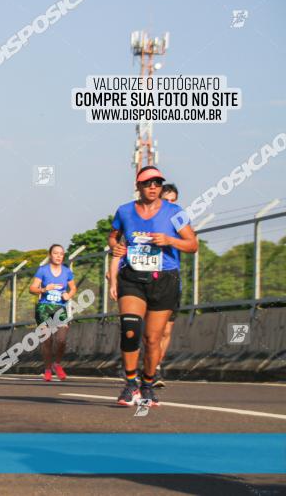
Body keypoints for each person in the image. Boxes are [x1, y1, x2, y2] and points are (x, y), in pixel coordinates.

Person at [108, 167, 197, 407]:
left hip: (164, 278)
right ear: (138, 186)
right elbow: (113, 236)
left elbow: (192, 244)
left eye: (157, 182)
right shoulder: (124, 211)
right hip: (133, 276)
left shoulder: (175, 212)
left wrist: (170, 240)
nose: (153, 187)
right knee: (130, 329)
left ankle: (147, 384)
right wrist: (115, 247)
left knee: (152, 339)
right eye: (148, 183)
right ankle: (130, 385)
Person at [29, 245, 76, 381]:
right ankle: (48, 368)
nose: (58, 256)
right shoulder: (43, 270)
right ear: (50, 255)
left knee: (61, 340)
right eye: (55, 253)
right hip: (44, 308)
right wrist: (44, 289)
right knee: (47, 340)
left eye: (61, 254)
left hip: (59, 309)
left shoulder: (67, 272)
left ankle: (57, 364)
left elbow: (73, 288)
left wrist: (69, 295)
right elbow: (32, 288)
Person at [156, 183, 179, 388]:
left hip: (170, 279)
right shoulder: (147, 217)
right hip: (145, 280)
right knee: (150, 331)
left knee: (165, 331)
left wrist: (170, 240)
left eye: (174, 201)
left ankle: (156, 367)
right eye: (166, 200)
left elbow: (192, 243)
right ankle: (145, 365)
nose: (170, 204)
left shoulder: (180, 219)